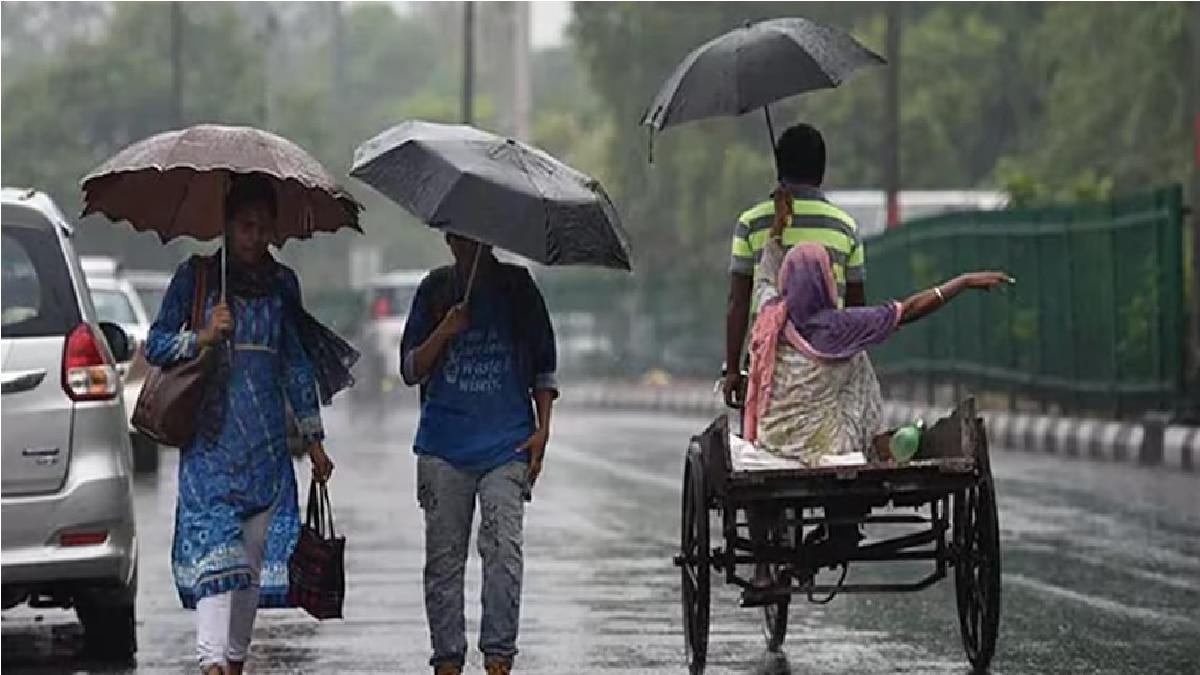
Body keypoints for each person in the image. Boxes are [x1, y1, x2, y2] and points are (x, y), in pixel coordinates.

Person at [144, 174, 357, 675]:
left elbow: (295, 365)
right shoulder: (196, 278)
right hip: (210, 451)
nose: (255, 238)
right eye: (245, 226)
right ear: (226, 225)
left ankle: (233, 663)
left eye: (264, 228)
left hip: (266, 455)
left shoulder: (283, 285)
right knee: (219, 562)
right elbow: (154, 345)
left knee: (250, 572)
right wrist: (201, 337)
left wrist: (315, 440)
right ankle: (211, 663)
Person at [741, 241, 1011, 584]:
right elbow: (909, 310)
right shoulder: (842, 327)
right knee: (857, 358)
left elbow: (764, 282)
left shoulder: (769, 316)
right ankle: (841, 525)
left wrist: (775, 237)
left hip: (776, 441)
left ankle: (765, 566)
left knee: (851, 361)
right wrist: (963, 282)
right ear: (826, 281)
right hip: (830, 446)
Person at [399, 233, 558, 675]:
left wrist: (543, 430)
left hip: (507, 444)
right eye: (462, 238)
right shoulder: (434, 289)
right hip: (443, 447)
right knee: (444, 562)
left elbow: (544, 367)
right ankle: (447, 660)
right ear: (449, 238)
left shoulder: (519, 289)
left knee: (504, 551)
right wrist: (444, 331)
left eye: (479, 239)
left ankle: (499, 658)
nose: (470, 246)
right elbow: (410, 369)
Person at [724, 123, 865, 408]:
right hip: (827, 367)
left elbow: (738, 302)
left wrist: (733, 370)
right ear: (821, 170)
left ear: (779, 167)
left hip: (767, 368)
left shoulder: (751, 224)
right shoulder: (845, 227)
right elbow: (856, 309)